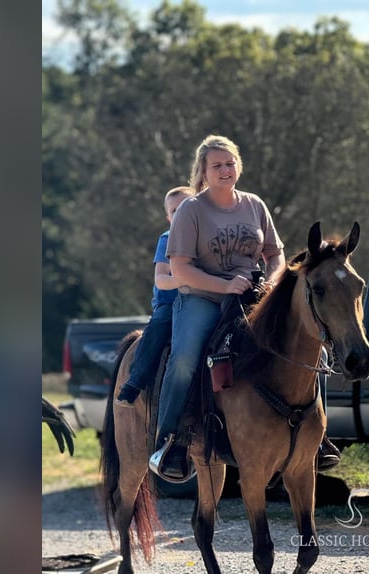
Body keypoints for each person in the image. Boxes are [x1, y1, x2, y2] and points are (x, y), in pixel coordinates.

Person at [149, 135, 286, 481]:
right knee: (183, 360)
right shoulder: (191, 210)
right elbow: (180, 268)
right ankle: (171, 442)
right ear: (204, 172)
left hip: (253, 295)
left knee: (311, 345)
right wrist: (224, 285)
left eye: (230, 163)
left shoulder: (255, 204)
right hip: (202, 297)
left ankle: (317, 438)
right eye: (217, 165)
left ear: (238, 166)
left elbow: (275, 254)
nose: (225, 170)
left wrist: (271, 281)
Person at [115, 186, 195, 406]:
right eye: (174, 210)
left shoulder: (205, 238)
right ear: (168, 217)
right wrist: (189, 279)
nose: (180, 214)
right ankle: (135, 381)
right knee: (159, 325)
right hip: (171, 302)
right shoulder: (167, 239)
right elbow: (161, 278)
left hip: (199, 300)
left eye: (185, 207)